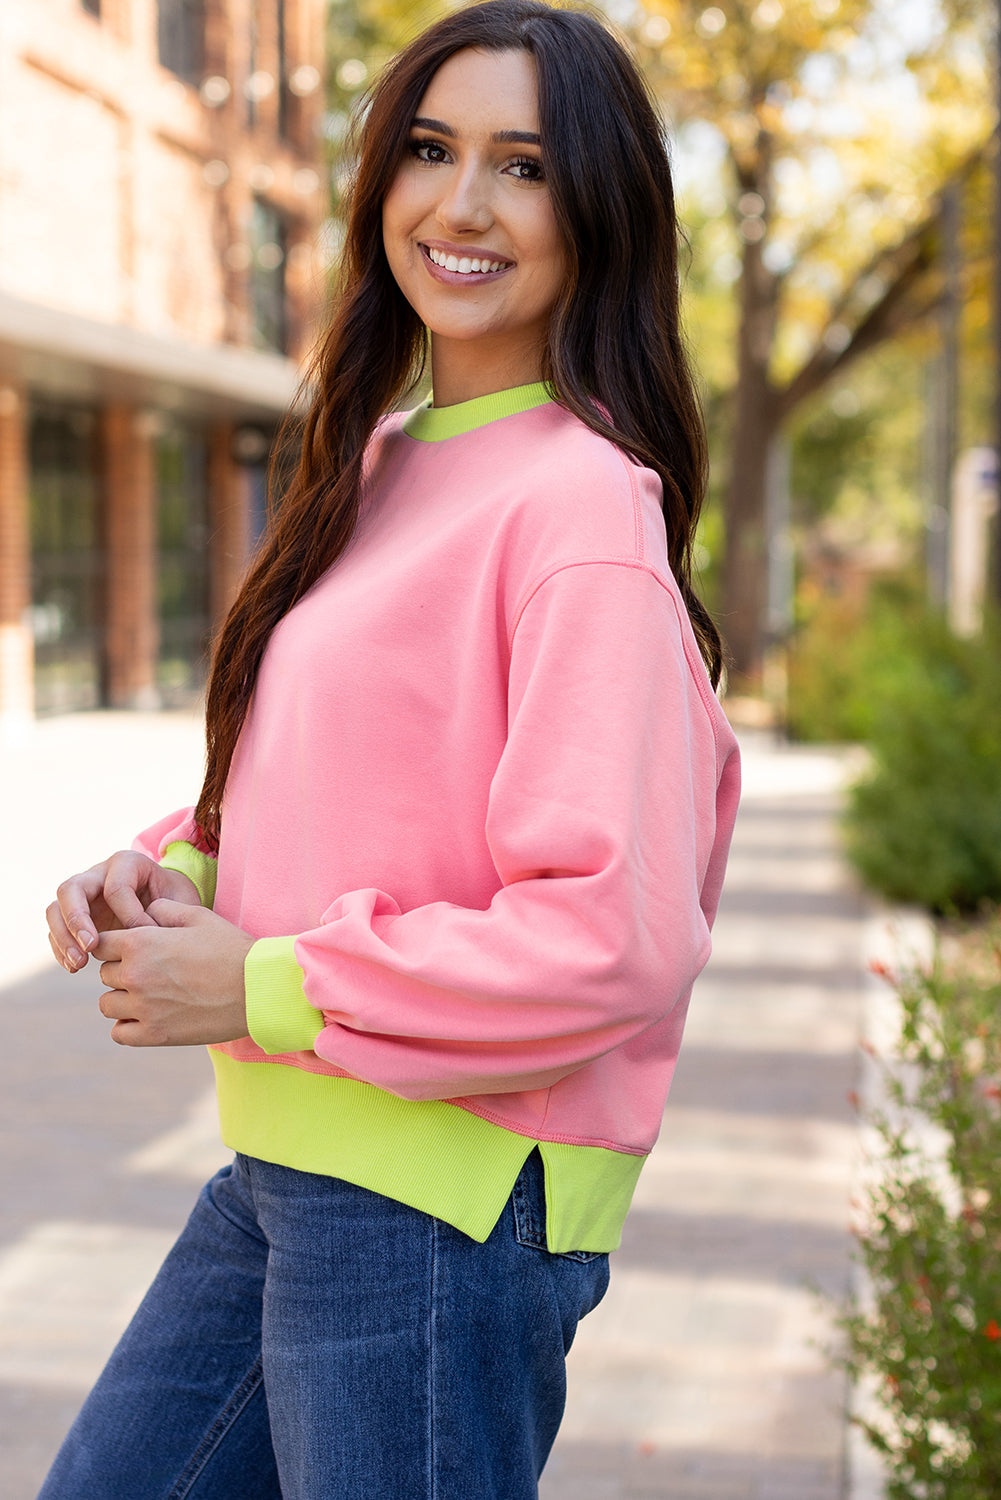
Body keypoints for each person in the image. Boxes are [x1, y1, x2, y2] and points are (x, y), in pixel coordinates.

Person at [40, 2, 740, 1495]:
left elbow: (609, 934)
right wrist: (171, 874)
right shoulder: (373, 464)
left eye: (523, 166)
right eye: (428, 149)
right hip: (295, 1165)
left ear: (599, 211)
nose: (460, 204)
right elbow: (342, 785)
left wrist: (263, 982)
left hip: (442, 1205)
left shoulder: (579, 508)